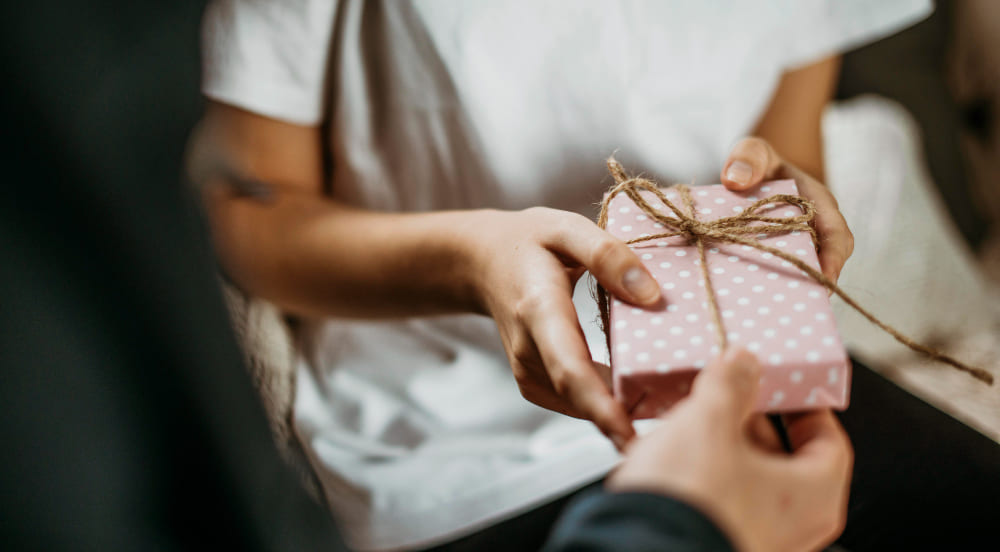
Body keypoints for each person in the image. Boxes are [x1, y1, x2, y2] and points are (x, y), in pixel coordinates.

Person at [190, 1, 1000, 550]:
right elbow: (248, 207)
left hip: (746, 395)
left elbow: (782, 153)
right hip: (450, 443)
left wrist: (778, 207)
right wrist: (475, 261)